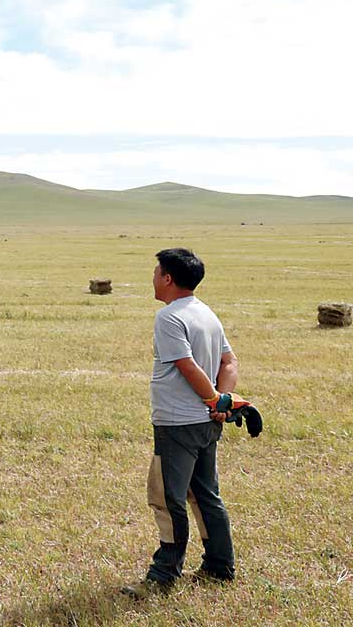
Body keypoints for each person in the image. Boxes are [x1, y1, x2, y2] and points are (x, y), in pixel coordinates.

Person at [121, 248, 239, 599]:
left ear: (168, 278)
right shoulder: (207, 314)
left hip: (178, 424)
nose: (153, 278)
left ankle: (163, 575)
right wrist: (223, 399)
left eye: (156, 272)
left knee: (167, 499)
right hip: (206, 424)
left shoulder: (169, 317)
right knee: (206, 495)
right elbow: (230, 362)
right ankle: (220, 566)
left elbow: (188, 367)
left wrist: (215, 399)